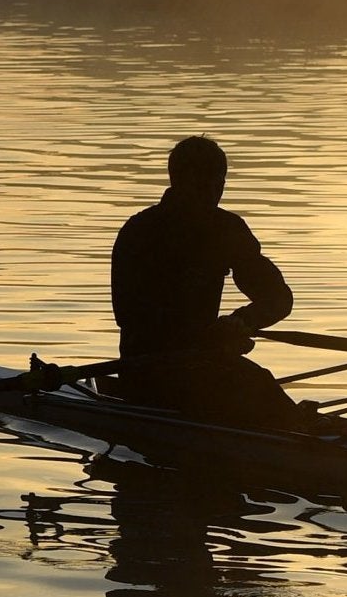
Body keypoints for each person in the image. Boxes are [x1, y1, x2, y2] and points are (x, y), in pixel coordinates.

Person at [110, 135, 306, 429]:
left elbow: (278, 298)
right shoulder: (141, 232)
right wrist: (211, 337)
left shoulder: (226, 229)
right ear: (179, 180)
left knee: (259, 387)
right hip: (148, 369)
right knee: (256, 385)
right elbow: (129, 316)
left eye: (219, 183)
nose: (213, 193)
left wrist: (242, 321)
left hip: (205, 364)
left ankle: (302, 431)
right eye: (203, 184)